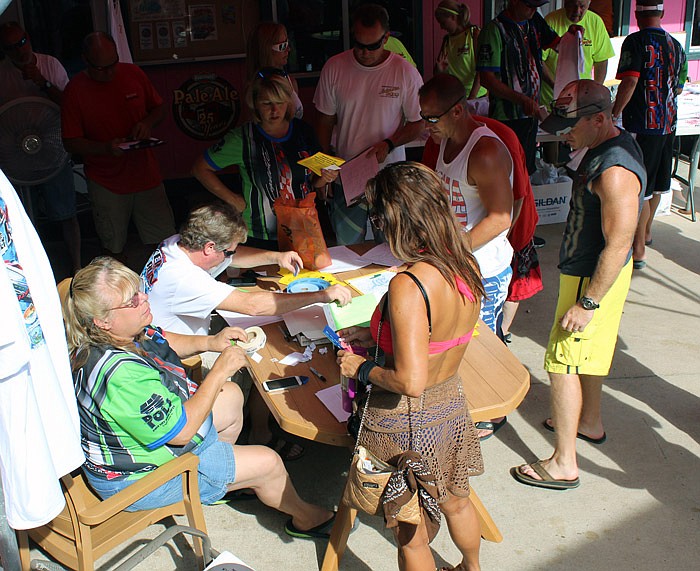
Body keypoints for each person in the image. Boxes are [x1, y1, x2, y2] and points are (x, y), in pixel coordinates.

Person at [64, 257, 336, 538]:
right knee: (268, 463)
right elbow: (180, 434)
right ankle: (305, 518)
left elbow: (160, 338)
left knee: (230, 396)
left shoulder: (107, 334)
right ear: (103, 320)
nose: (144, 298)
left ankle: (222, 479)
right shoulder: (120, 376)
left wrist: (211, 342)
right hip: (138, 478)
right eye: (132, 300)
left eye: (139, 290)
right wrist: (219, 371)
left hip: (145, 446)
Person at [337, 162, 485, 571]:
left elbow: (409, 381)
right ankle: (471, 567)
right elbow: (438, 336)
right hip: (451, 406)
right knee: (456, 501)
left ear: (395, 219)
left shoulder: (409, 283)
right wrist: (377, 334)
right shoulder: (463, 263)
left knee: (412, 534)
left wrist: (359, 367)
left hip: (404, 423)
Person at [513, 80, 645, 489]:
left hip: (593, 278)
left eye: (570, 126)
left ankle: (563, 462)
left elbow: (620, 242)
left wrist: (587, 304)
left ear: (601, 119)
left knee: (561, 362)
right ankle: (589, 420)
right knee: (585, 357)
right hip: (587, 272)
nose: (562, 132)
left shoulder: (616, 170)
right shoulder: (604, 148)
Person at [141, 202, 352, 459]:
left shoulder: (178, 244)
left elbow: (231, 256)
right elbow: (252, 305)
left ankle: (255, 418)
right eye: (228, 249)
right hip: (177, 357)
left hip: (171, 336)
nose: (232, 254)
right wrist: (323, 294)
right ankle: (252, 432)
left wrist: (275, 256)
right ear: (209, 247)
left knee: (260, 338)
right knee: (263, 353)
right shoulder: (185, 277)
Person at [419, 74, 514, 442]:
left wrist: (454, 250)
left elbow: (501, 217)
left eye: (431, 118)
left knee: (483, 344)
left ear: (457, 111)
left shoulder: (485, 152)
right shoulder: (446, 141)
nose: (426, 126)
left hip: (483, 270)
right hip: (456, 264)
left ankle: (490, 412)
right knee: (459, 342)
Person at [313, 3, 423, 245]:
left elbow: (419, 123)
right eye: (359, 44)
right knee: (349, 247)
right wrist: (322, 167)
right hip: (346, 173)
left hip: (389, 177)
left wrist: (390, 143)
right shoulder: (335, 67)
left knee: (393, 246)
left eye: (372, 46)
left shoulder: (404, 72)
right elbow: (324, 120)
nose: (364, 52)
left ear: (386, 37)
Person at [61, 32, 175, 262]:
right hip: (106, 181)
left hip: (145, 174)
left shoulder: (133, 73)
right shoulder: (75, 90)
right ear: (85, 60)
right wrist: (104, 148)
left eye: (113, 64)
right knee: (112, 247)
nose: (110, 72)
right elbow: (70, 141)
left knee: (166, 244)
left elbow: (160, 108)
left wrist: (146, 123)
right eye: (101, 68)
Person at [192, 72, 336, 251]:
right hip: (260, 232)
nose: (275, 110)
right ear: (255, 105)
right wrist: (233, 200)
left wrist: (326, 177)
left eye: (280, 103)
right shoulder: (243, 138)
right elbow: (200, 169)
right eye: (267, 104)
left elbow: (313, 181)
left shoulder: (303, 131)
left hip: (302, 226)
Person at [0, 21, 81, 274]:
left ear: (29, 39)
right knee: (22, 218)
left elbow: (70, 105)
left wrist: (42, 83)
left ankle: (77, 265)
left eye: (22, 42)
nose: (20, 50)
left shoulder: (50, 64)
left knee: (66, 211)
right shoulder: (2, 74)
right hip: (15, 155)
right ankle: (32, 269)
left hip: (52, 149)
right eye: (12, 47)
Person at [612, 0, 687, 269]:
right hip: (669, 124)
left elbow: (630, 81)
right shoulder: (676, 46)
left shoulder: (634, 42)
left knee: (640, 185)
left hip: (643, 123)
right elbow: (677, 88)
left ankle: (638, 248)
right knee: (657, 184)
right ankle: (647, 231)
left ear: (636, 15)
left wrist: (614, 111)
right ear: (662, 14)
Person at [477, 0, 560, 175]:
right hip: (507, 116)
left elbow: (556, 46)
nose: (534, 9)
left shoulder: (535, 21)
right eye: (529, 5)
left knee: (526, 168)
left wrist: (573, 36)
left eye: (537, 5)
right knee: (509, 170)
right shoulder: (494, 30)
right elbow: (486, 79)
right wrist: (521, 99)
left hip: (531, 113)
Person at [541, 0, 615, 110]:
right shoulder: (550, 21)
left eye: (582, 6)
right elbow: (539, 60)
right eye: (573, 5)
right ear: (565, 3)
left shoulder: (595, 22)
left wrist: (594, 91)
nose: (577, 11)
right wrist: (557, 87)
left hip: (582, 102)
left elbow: (601, 60)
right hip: (552, 99)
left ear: (589, 4)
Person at [246, 21, 302, 119]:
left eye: (288, 43)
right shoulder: (254, 88)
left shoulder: (290, 82)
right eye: (282, 46)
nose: (288, 49)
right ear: (266, 50)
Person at [434, 1, 488, 101]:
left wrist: (472, 97)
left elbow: (482, 69)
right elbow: (438, 73)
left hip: (477, 98)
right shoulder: (447, 40)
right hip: (455, 96)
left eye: (443, 22)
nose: (441, 27)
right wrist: (440, 70)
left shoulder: (474, 34)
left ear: (453, 17)